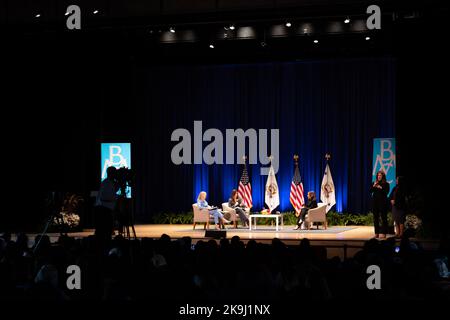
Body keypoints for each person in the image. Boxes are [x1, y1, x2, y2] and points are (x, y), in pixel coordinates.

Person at [95, 166, 119, 240]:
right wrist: (115, 197)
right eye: (114, 173)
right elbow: (103, 197)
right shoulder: (106, 183)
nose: (115, 174)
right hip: (103, 209)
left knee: (107, 231)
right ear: (111, 173)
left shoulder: (110, 182)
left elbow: (113, 191)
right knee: (105, 231)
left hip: (106, 209)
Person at [370, 170, 390, 239]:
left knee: (384, 218)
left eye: (380, 175)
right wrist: (374, 186)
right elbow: (370, 191)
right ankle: (376, 233)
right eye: (378, 175)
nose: (379, 177)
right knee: (376, 219)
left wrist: (380, 187)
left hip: (383, 204)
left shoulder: (386, 184)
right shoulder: (374, 183)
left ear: (383, 176)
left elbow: (386, 192)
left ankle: (384, 233)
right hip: (375, 203)